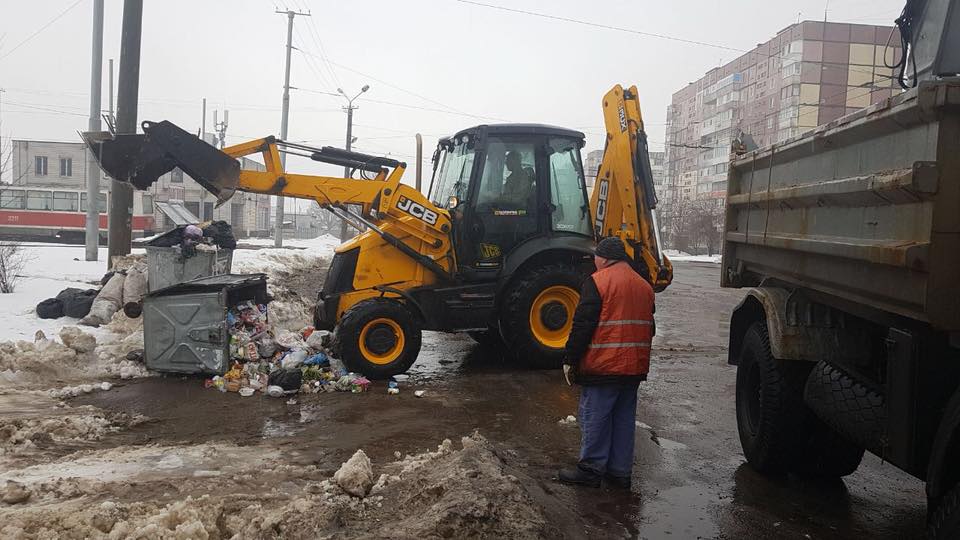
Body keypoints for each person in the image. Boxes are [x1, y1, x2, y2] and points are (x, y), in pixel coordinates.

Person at [558, 236, 655, 489]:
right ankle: (620, 473)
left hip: (604, 366)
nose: (594, 262)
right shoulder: (643, 286)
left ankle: (590, 469)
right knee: (623, 419)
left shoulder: (598, 282)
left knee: (596, 417)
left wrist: (570, 358)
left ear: (604, 258)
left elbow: (583, 325)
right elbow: (649, 328)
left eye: (595, 258)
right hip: (634, 368)